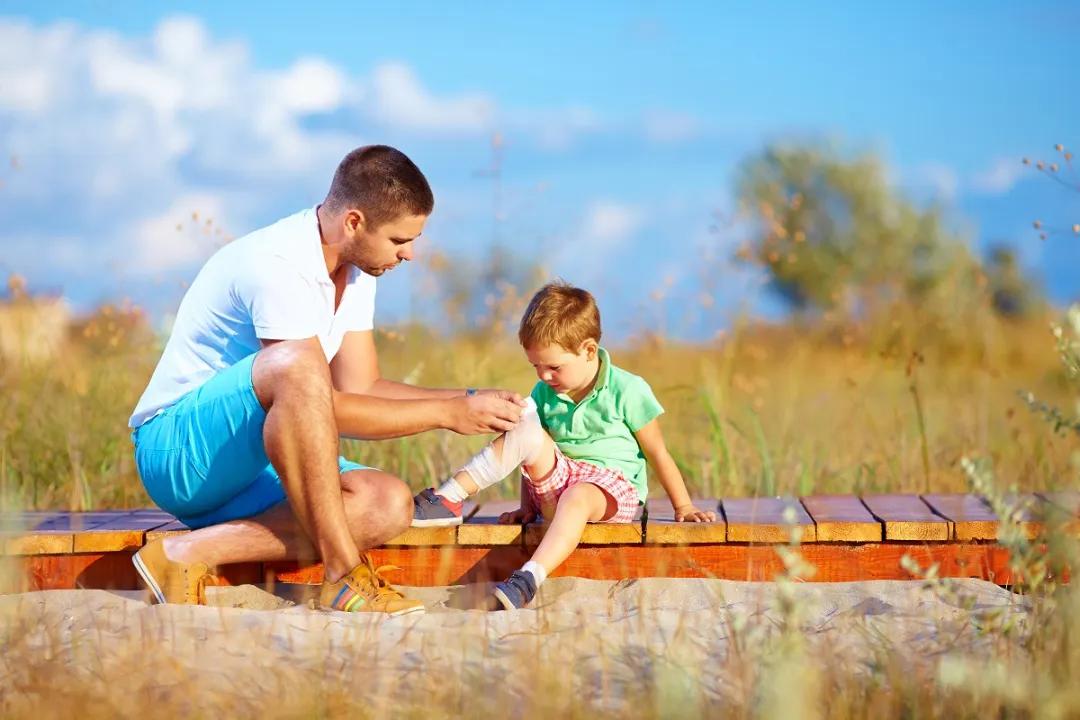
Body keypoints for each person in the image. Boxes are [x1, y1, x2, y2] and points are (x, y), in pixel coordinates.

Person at [129, 145, 526, 616]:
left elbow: (360, 388)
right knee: (296, 364)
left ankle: (189, 553)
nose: (411, 254)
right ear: (354, 222)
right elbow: (320, 402)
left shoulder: (358, 271)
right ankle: (344, 574)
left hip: (254, 465)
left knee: (388, 503)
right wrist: (447, 414)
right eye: (400, 240)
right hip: (180, 454)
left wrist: (468, 400)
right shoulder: (278, 265)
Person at [411, 281, 716, 609]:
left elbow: (657, 451)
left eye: (554, 367)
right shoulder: (545, 393)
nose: (543, 376)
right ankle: (450, 497)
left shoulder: (628, 389)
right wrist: (527, 506)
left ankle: (529, 578)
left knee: (578, 494)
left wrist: (683, 507)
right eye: (536, 367)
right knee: (524, 423)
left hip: (611, 492)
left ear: (588, 350)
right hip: (561, 483)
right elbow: (530, 453)